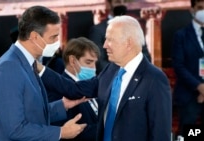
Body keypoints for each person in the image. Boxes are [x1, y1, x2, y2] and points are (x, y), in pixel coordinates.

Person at [36, 15, 172, 141]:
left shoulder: (154, 78)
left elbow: (160, 133)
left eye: (110, 40)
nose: (105, 45)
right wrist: (39, 68)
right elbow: (74, 89)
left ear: (128, 43)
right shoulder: (111, 70)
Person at [0, 6, 87, 141]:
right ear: (34, 37)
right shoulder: (8, 68)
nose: (57, 44)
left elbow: (32, 114)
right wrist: (60, 132)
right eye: (53, 37)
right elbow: (15, 129)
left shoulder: (27, 62)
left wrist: (62, 105)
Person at [46, 37, 100, 141]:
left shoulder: (93, 85)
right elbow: (65, 130)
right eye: (89, 62)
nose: (94, 68)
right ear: (72, 61)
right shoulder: (57, 90)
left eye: (95, 63)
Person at [89, 0, 151, 74]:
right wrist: (122, 73)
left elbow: (145, 56)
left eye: (124, 2)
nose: (122, 5)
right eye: (118, 2)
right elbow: (99, 61)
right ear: (108, 4)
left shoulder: (135, 28)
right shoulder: (98, 30)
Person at [171, 0, 204, 139]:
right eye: (200, 8)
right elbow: (179, 66)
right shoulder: (181, 36)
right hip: (189, 96)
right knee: (190, 134)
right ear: (192, 10)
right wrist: (199, 86)